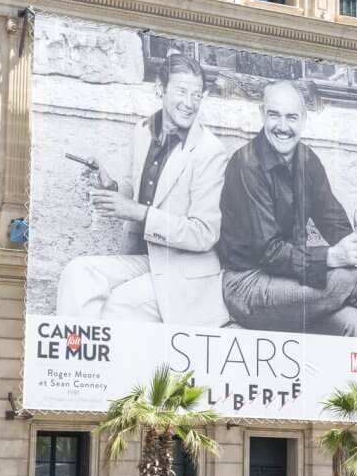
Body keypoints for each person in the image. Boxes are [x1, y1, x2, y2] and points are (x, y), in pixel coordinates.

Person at [217, 80, 357, 338]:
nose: (282, 127)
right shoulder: (246, 164)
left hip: (289, 281)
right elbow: (270, 253)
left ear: (303, 119)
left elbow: (336, 224)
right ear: (261, 115)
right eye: (274, 115)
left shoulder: (306, 160)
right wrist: (334, 258)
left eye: (291, 117)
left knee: (354, 321)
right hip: (247, 287)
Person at [57, 54, 229, 326]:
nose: (189, 103)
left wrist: (138, 212)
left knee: (115, 305)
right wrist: (109, 187)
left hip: (184, 275)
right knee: (76, 273)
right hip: (146, 261)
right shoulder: (143, 130)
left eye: (197, 95)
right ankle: (76, 363)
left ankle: (94, 365)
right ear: (159, 90)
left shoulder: (210, 151)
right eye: (182, 92)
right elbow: (131, 194)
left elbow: (204, 234)